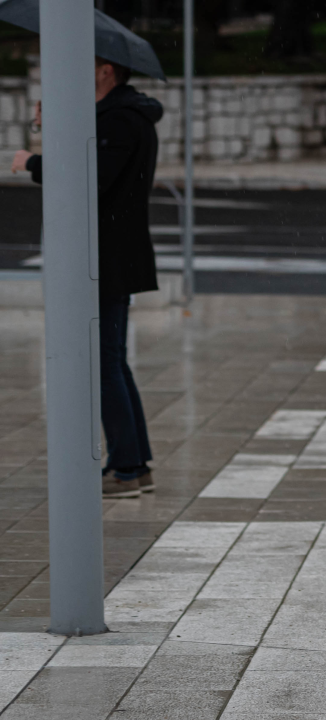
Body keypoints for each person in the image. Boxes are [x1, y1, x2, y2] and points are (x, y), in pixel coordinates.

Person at [11, 57, 162, 499]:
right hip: (110, 253)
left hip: (105, 256)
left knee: (103, 364)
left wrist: (33, 161)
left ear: (107, 70)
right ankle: (134, 464)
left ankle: (128, 469)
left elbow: (86, 180)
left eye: (88, 62)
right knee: (110, 361)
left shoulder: (121, 120)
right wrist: (50, 129)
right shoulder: (120, 115)